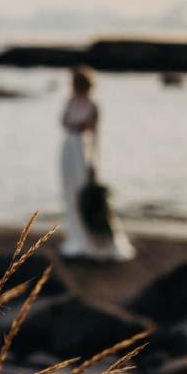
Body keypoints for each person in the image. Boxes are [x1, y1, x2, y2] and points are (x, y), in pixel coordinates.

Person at [60, 66, 135, 261]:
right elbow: (63, 122)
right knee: (70, 192)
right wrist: (76, 127)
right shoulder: (70, 102)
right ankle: (76, 236)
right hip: (68, 148)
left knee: (84, 194)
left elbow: (94, 136)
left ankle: (93, 239)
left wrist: (93, 162)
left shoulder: (93, 106)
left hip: (82, 149)